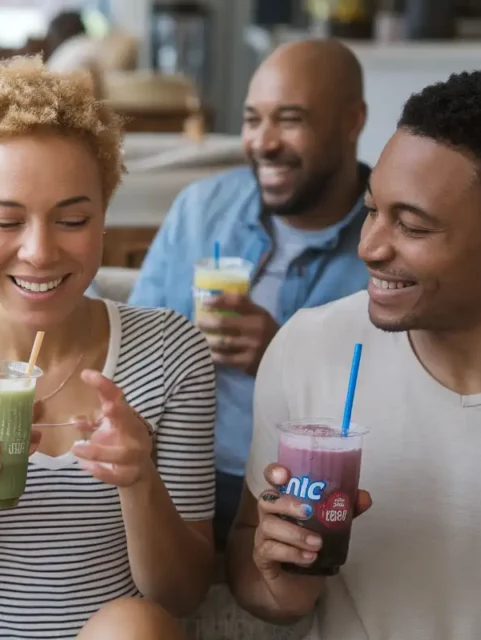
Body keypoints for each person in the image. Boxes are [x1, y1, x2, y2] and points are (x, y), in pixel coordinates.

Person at [0, 57, 216, 639]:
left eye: (73, 219)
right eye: (7, 221)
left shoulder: (170, 353)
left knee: (133, 625)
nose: (38, 251)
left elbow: (181, 596)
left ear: (104, 216)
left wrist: (140, 484)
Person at [228, 66, 481, 639]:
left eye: (412, 227)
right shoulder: (312, 347)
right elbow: (253, 566)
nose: (369, 248)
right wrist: (280, 579)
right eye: (372, 210)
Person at [129, 38, 371, 547]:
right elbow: (132, 351)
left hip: (298, 484)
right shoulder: (202, 209)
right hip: (176, 469)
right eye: (252, 119)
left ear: (352, 122)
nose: (264, 142)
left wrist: (281, 356)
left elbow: (400, 403)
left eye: (290, 119)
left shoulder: (387, 239)